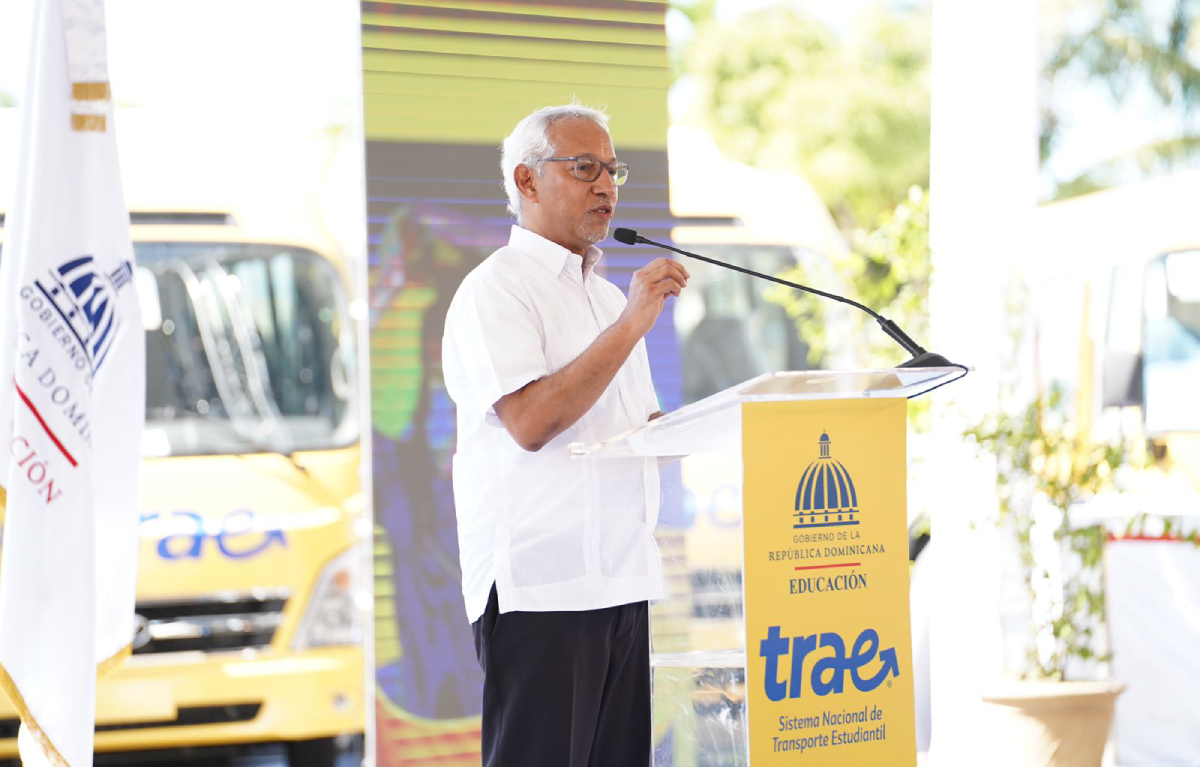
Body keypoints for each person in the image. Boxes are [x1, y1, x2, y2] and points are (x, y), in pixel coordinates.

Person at [441, 103, 689, 766]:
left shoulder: (607, 300)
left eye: (612, 170)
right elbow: (530, 422)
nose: (606, 186)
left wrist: (717, 422)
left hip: (620, 579)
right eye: (585, 168)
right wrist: (632, 324)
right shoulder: (495, 289)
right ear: (526, 181)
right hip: (540, 588)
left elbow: (636, 430)